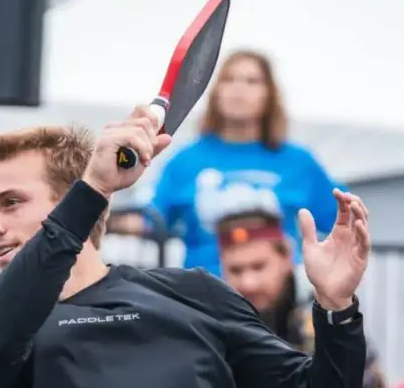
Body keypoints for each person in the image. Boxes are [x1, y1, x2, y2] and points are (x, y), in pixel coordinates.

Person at [0, 105, 370, 388]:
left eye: (10, 202)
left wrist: (336, 307)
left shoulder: (193, 294)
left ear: (69, 202)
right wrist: (95, 188)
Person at [108, 50, 343, 276]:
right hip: (203, 299)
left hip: (278, 307)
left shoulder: (299, 162)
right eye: (229, 80)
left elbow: (344, 220)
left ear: (270, 94)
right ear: (215, 92)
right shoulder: (184, 161)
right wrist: (100, 194)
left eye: (252, 81)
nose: (238, 89)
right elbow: (148, 220)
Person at [216, 209, 404, 388]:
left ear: (287, 257)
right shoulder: (220, 327)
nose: (248, 282)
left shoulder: (323, 319)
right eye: (236, 270)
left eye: (258, 267)